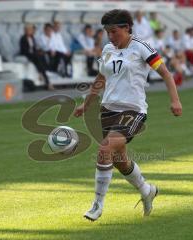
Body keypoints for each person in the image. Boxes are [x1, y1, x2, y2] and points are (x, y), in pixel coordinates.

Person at [74, 9, 182, 221]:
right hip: (108, 111)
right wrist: (86, 104)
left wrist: (175, 100)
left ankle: (97, 204)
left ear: (126, 28)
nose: (110, 37)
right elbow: (101, 78)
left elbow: (166, 74)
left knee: (105, 147)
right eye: (107, 32)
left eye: (114, 31)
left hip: (133, 111)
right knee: (119, 161)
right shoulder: (107, 49)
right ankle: (146, 190)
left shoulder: (141, 48)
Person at [20, 23, 53, 90]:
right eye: (29, 30)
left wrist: (39, 51)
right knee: (37, 58)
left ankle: (43, 72)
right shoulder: (23, 38)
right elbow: (24, 50)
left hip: (33, 54)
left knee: (41, 55)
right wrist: (34, 53)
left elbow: (34, 48)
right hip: (27, 54)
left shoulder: (32, 38)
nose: (31, 31)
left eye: (31, 30)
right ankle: (46, 80)